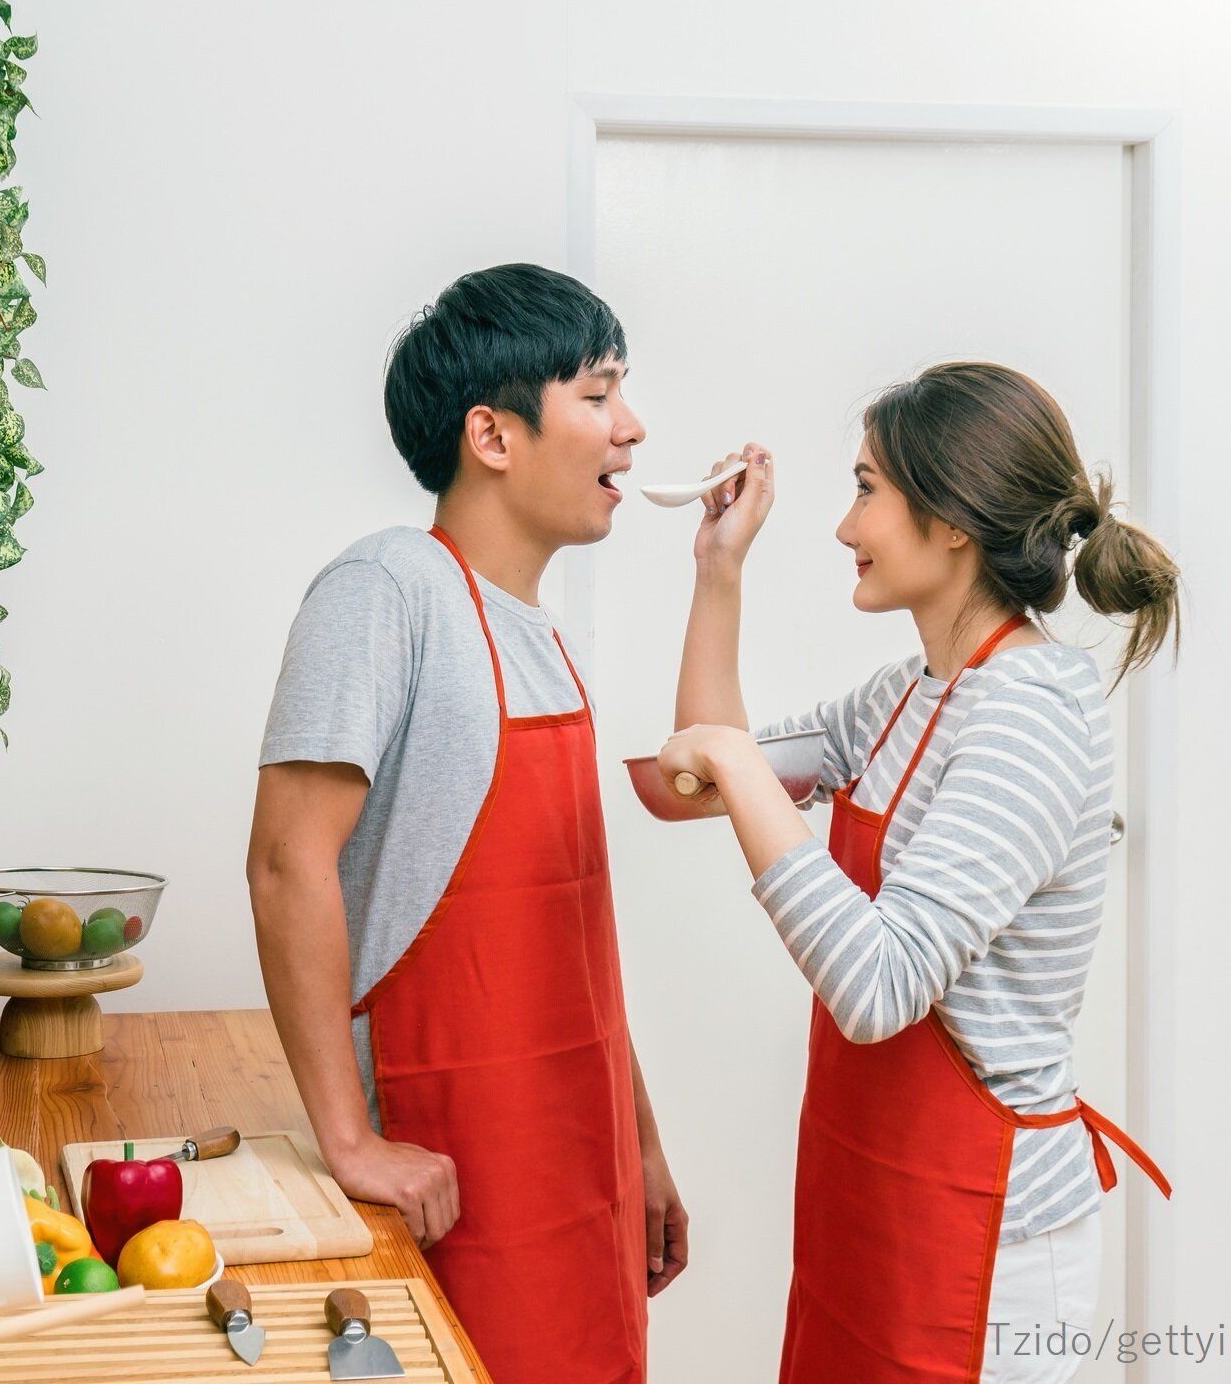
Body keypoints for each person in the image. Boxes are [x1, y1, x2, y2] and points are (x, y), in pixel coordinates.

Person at [658, 362, 1177, 1383]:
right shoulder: (905, 696)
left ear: (950, 523)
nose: (843, 527)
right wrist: (719, 570)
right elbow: (696, 778)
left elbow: (878, 985)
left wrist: (732, 765)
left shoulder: (1029, 712)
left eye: (866, 490)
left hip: (986, 1238)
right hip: (868, 1202)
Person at [247, 263, 683, 1382]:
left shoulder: (542, 636)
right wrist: (350, 1140)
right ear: (491, 435)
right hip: (452, 1157)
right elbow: (287, 862)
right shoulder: (386, 589)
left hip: (577, 1159)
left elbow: (575, 947)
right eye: (598, 394)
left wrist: (638, 1141)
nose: (631, 428)